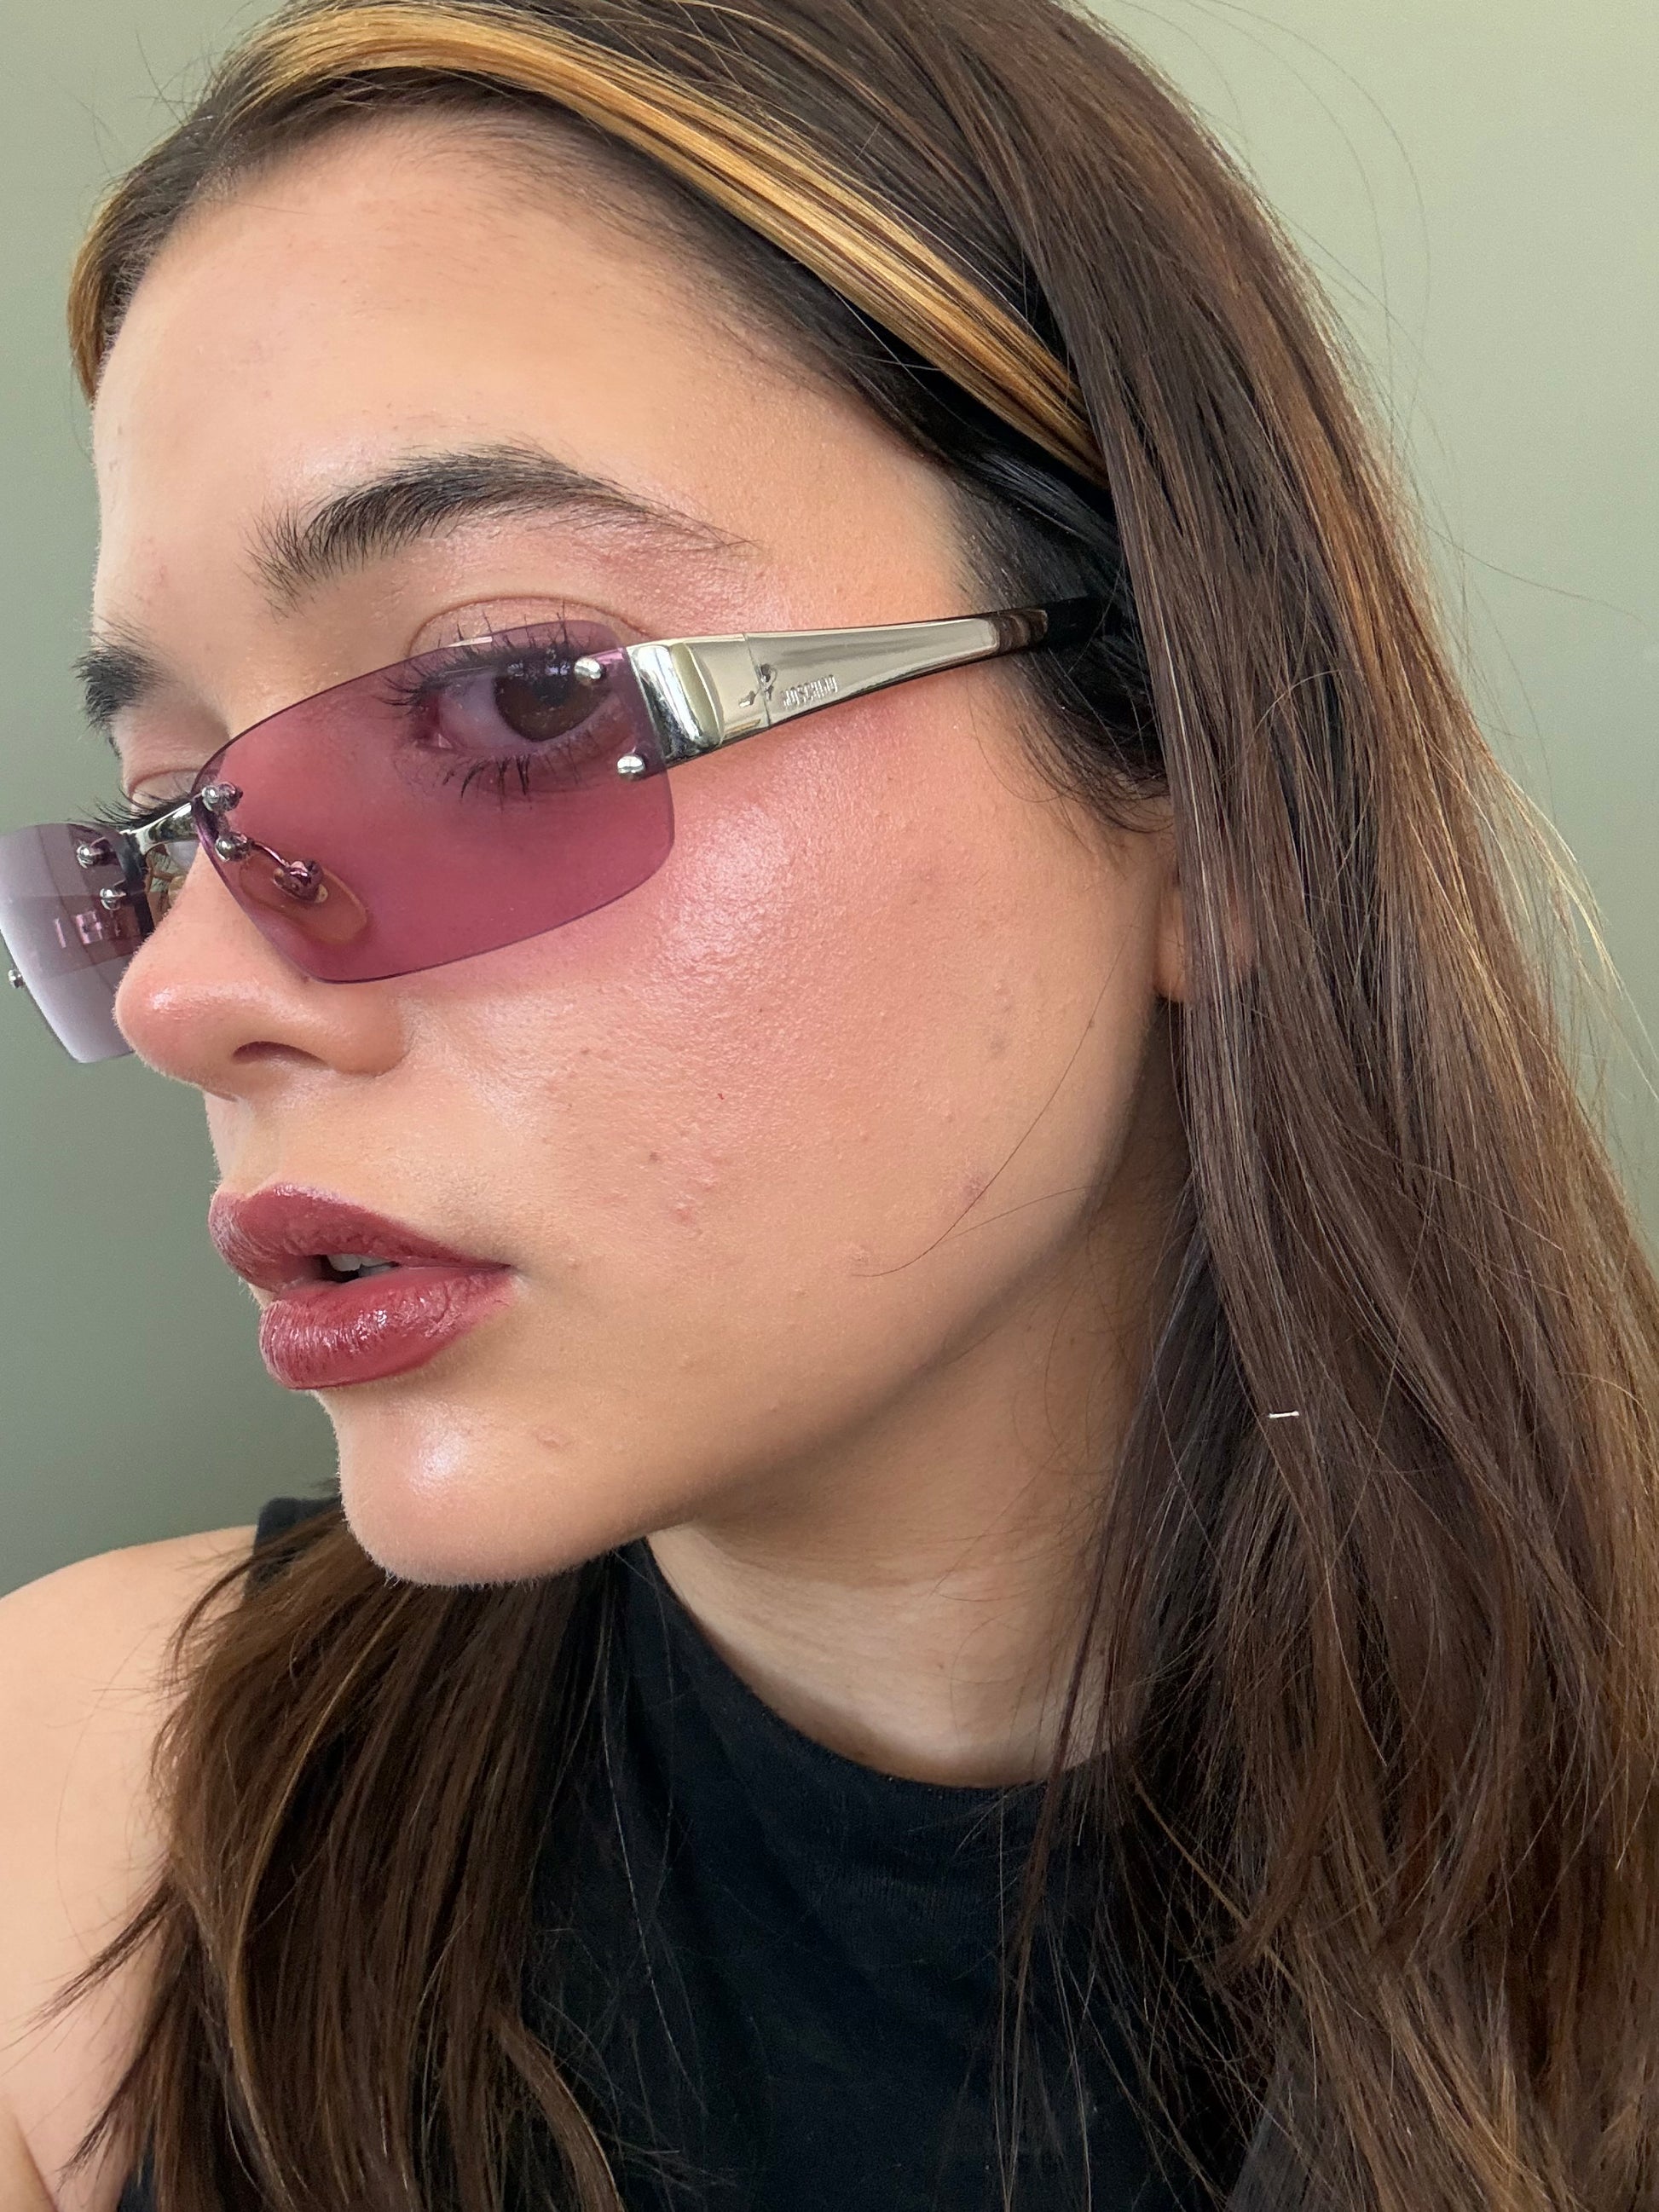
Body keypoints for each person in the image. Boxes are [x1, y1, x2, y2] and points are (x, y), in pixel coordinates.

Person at [2, 0, 1656, 2206]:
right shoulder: (82, 1851)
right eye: (164, 818)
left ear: (1212, 786)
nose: (190, 989)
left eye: (508, 699)